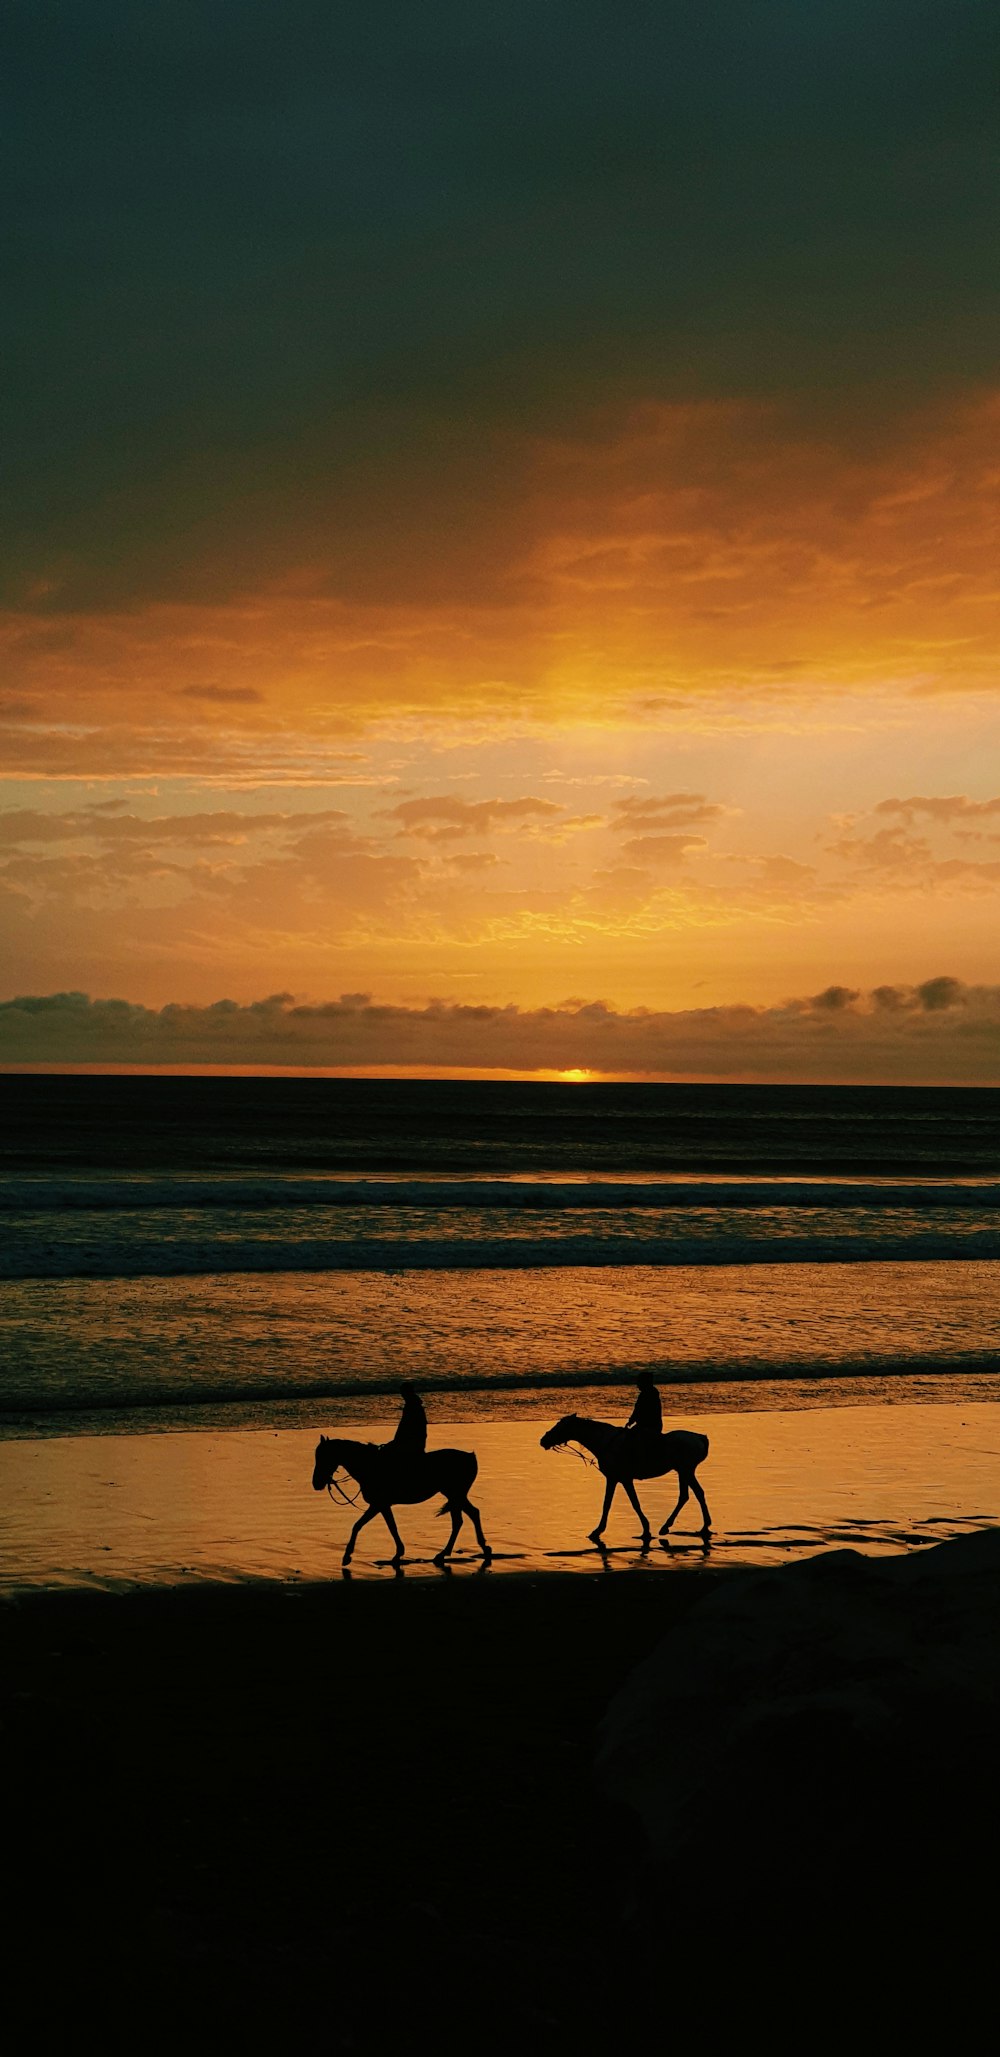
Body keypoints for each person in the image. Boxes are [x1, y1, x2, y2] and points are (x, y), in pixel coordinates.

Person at [391, 1383, 427, 1463]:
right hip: (415, 1440)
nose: (402, 1395)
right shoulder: (414, 1405)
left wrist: (396, 1442)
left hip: (412, 1442)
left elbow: (405, 1427)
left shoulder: (411, 1406)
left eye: (403, 1392)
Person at [626, 1373, 662, 1438]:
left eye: (639, 1382)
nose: (637, 1385)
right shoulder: (652, 1392)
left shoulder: (646, 1394)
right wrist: (631, 1421)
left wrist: (631, 1421)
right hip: (654, 1425)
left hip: (648, 1426)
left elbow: (638, 1410)